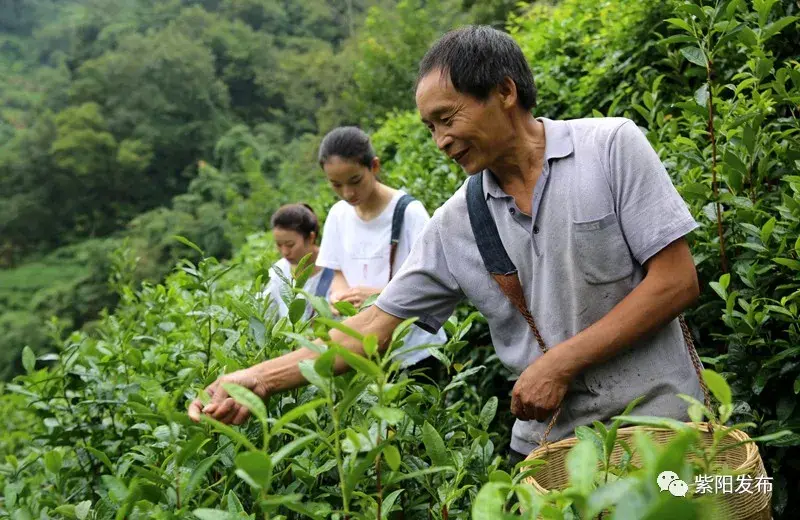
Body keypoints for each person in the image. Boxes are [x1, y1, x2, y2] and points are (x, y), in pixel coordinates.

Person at [188, 25, 705, 468]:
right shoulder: (457, 222)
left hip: (663, 426)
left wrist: (558, 364)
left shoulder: (611, 148)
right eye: (429, 127)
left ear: (504, 92)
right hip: (553, 451)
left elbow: (676, 282)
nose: (440, 141)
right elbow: (370, 329)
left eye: (448, 118)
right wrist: (258, 378)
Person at [314, 126, 447, 367]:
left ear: (374, 166)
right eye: (336, 184)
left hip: (413, 351)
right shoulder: (337, 214)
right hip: (363, 348)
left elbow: (434, 282)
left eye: (355, 180)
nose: (347, 192)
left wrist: (380, 296)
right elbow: (336, 272)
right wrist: (340, 296)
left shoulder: (409, 212)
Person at [261, 203, 332, 321]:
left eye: (290, 245)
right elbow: (265, 317)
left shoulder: (335, 270)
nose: (284, 252)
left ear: (311, 237)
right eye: (279, 245)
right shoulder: (276, 273)